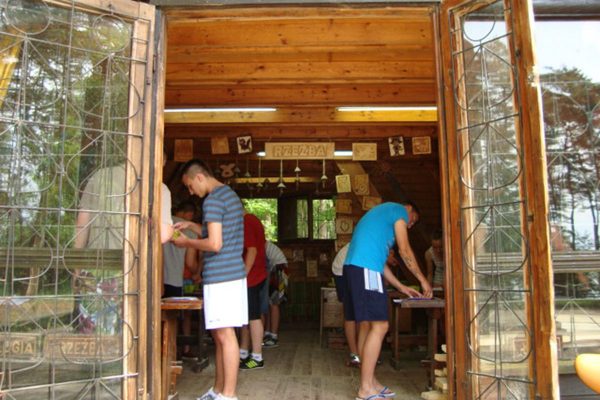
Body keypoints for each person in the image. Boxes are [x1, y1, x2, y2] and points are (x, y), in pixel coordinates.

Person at [172, 159, 247, 400]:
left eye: (190, 186)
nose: (191, 192)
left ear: (200, 177)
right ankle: (218, 390)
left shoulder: (213, 200)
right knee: (220, 335)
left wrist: (186, 242)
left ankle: (228, 395)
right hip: (231, 274)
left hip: (222, 277)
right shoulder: (229, 195)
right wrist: (193, 226)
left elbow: (214, 243)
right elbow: (218, 232)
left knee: (225, 336)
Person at [343, 201, 432, 400]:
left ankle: (370, 382)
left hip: (357, 268)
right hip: (365, 269)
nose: (410, 225)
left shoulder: (382, 221)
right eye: (413, 220)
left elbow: (381, 264)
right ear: (409, 209)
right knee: (381, 325)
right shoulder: (398, 210)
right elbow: (405, 250)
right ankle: (365, 389)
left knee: (368, 325)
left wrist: (401, 287)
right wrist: (423, 280)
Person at [239, 212, 267, 370]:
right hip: (255, 274)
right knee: (245, 316)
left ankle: (257, 357)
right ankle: (243, 351)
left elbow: (252, 250)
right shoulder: (252, 219)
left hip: (252, 276)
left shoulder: (246, 221)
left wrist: (243, 275)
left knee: (253, 316)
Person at [332, 243, 360, 366]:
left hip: (353, 268)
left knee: (359, 313)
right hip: (342, 271)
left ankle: (363, 352)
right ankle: (355, 355)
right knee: (351, 314)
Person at [262, 241, 289, 348]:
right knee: (269, 302)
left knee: (274, 302)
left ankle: (273, 336)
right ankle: (268, 333)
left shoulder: (259, 242)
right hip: (275, 267)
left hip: (279, 267)